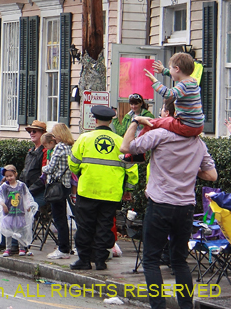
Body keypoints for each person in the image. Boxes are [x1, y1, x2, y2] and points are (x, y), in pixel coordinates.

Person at [121, 101, 217, 309]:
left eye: (163, 111)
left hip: (160, 205)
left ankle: (159, 306)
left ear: (170, 115)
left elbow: (126, 147)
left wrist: (135, 121)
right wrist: (189, 170)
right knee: (180, 261)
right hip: (185, 208)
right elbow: (212, 175)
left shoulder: (160, 136)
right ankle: (185, 306)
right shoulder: (198, 143)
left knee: (151, 260)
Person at [68, 105, 138, 271]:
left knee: (85, 227)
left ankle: (84, 260)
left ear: (95, 119)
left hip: (88, 191)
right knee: (104, 227)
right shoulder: (121, 141)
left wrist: (82, 174)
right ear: (111, 120)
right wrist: (128, 189)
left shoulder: (84, 139)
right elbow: (132, 170)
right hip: (111, 193)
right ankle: (100, 260)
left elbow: (73, 164)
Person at [138, 53, 203, 136]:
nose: (170, 70)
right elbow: (177, 75)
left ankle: (135, 144)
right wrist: (164, 71)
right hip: (198, 126)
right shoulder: (192, 81)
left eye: (170, 68)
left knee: (152, 123)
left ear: (177, 69)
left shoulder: (183, 85)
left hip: (186, 126)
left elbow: (169, 94)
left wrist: (155, 82)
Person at [0, 164, 38, 257]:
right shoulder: (4, 187)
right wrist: (2, 204)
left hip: (19, 212)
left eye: (10, 176)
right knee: (8, 231)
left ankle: (22, 248)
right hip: (8, 213)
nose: (9, 178)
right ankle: (8, 248)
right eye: (7, 176)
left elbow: (26, 196)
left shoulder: (21, 185)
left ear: (15, 174)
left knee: (20, 230)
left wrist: (28, 205)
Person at [42, 127, 74, 260]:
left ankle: (63, 248)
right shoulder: (70, 147)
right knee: (63, 218)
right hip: (66, 184)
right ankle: (66, 246)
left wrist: (43, 167)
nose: (53, 136)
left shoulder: (59, 147)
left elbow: (50, 168)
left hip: (57, 186)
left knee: (59, 218)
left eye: (54, 133)